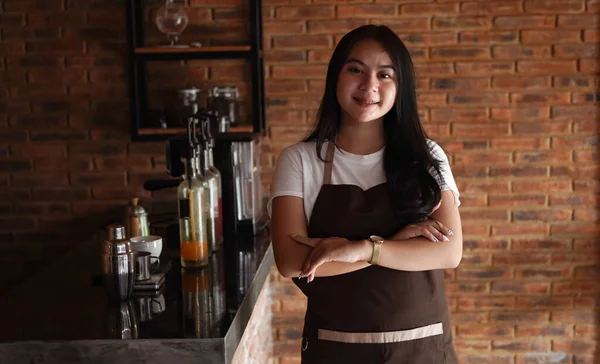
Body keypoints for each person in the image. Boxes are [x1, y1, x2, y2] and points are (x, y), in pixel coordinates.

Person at [268, 25, 462, 364]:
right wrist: (399, 243)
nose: (369, 85)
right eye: (356, 69)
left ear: (400, 88)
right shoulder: (299, 161)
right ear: (336, 77)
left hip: (422, 349)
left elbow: (448, 252)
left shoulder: (427, 156)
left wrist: (360, 248)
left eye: (385, 74)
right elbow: (292, 261)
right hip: (336, 350)